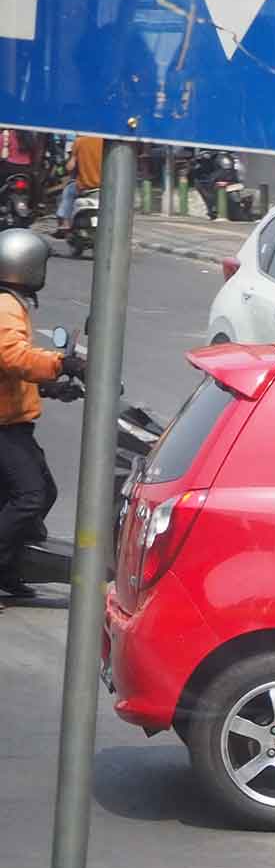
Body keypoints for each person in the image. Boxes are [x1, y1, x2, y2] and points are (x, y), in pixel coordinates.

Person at [0, 230, 87, 602]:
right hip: (4, 426)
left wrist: (51, 388)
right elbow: (12, 356)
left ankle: (9, 568)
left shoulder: (11, 301)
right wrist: (62, 362)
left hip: (12, 419)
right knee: (29, 497)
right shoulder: (5, 304)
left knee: (41, 492)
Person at [52, 134, 102, 238]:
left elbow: (70, 166)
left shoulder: (79, 141)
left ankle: (65, 223)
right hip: (104, 186)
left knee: (68, 191)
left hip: (85, 186)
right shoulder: (105, 140)